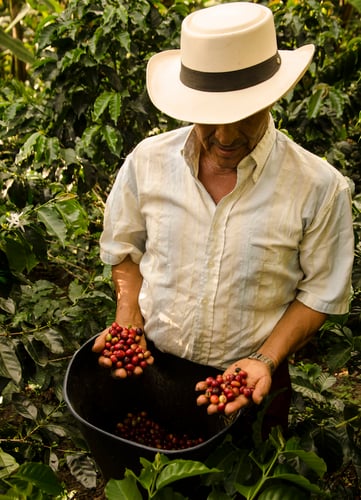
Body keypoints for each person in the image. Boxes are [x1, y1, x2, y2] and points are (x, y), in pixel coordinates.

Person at [92, 2, 354, 437]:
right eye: (211, 118)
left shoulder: (319, 188)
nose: (227, 137)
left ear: (270, 99)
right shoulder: (148, 163)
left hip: (250, 383)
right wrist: (127, 317)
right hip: (152, 369)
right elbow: (124, 250)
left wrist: (266, 358)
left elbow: (320, 294)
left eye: (244, 115)